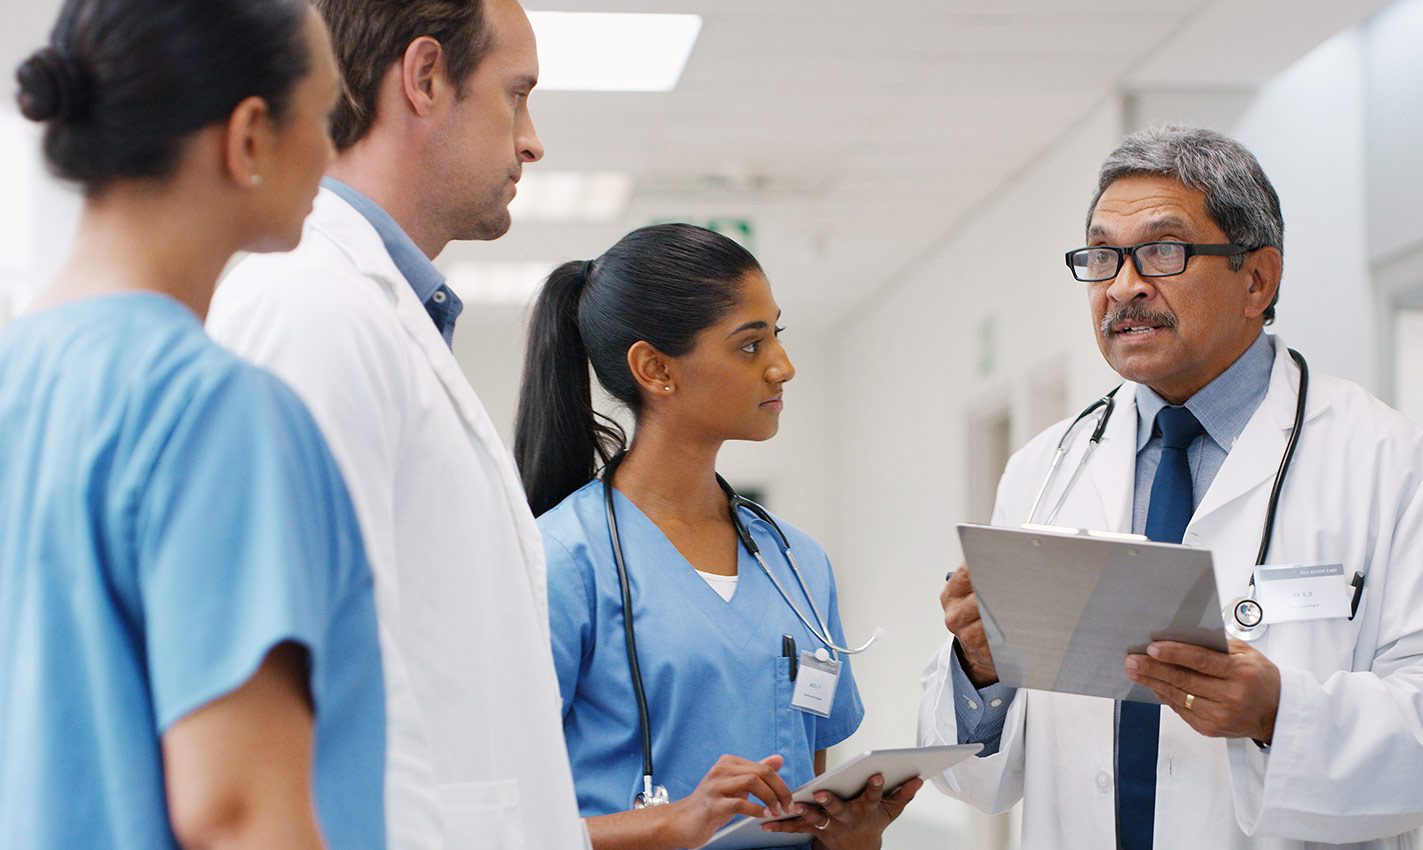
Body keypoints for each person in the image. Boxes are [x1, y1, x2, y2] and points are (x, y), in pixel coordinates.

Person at [918, 125, 1423, 849]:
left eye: (1162, 251)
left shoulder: (1392, 465)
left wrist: (1279, 713)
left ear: (1256, 279)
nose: (1123, 285)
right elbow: (978, 777)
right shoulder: (1045, 469)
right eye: (1103, 255)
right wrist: (980, 668)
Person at [202, 0, 587, 847]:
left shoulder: (379, 311)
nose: (531, 140)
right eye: (514, 95)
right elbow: (302, 695)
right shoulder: (312, 308)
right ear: (423, 79)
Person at [0, 1, 384, 848]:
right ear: (248, 138)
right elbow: (238, 812)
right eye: (324, 115)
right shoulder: (212, 411)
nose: (332, 150)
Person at [515, 223, 922, 850]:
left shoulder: (798, 564)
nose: (783, 367)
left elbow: (814, 804)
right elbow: (498, 823)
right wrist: (671, 823)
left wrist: (854, 834)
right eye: (750, 346)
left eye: (776, 335)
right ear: (655, 368)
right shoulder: (561, 560)